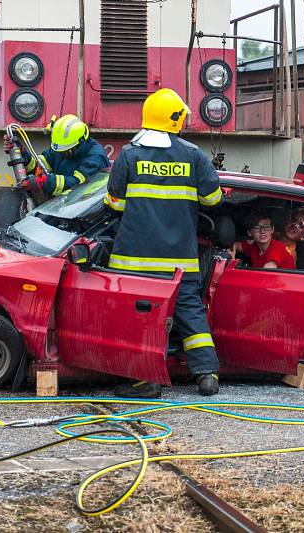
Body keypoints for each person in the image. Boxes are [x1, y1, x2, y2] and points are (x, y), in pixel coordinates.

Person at [104, 88, 224, 398]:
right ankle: (207, 374)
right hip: (180, 259)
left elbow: (115, 205)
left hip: (134, 260)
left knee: (141, 320)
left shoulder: (129, 155)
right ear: (175, 119)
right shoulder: (193, 155)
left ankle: (146, 381)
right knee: (190, 312)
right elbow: (212, 199)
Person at [3, 114, 110, 196]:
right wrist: (22, 154)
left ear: (80, 143)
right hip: (59, 208)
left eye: (66, 150)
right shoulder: (62, 149)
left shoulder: (95, 158)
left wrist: (44, 182)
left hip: (83, 214)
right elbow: (38, 168)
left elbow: (77, 185)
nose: (62, 154)